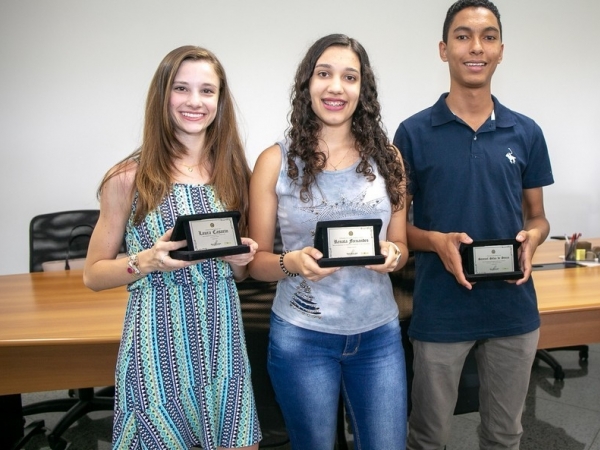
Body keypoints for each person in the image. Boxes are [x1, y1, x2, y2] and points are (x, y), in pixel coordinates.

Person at [393, 1, 554, 449]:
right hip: (441, 309)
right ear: (444, 49)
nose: (475, 47)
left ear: (501, 49)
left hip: (512, 307)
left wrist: (534, 237)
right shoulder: (412, 133)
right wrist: (437, 242)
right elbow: (398, 230)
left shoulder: (526, 132)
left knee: (505, 435)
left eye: (487, 36)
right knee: (429, 436)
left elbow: (537, 217)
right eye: (463, 36)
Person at [83, 46, 261, 450]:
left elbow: (239, 273)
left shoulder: (234, 174)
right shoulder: (128, 177)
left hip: (222, 338)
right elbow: (92, 274)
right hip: (155, 344)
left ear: (220, 99)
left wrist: (240, 261)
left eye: (206, 90)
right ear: (163, 96)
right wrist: (143, 261)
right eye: (182, 88)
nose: (195, 102)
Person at [248, 34, 409, 450]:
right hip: (302, 337)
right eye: (324, 74)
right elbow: (257, 262)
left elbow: (401, 246)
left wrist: (394, 254)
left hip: (378, 335)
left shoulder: (389, 159)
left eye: (349, 77)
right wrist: (293, 262)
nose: (336, 87)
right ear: (307, 84)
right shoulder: (275, 162)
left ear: (363, 90)